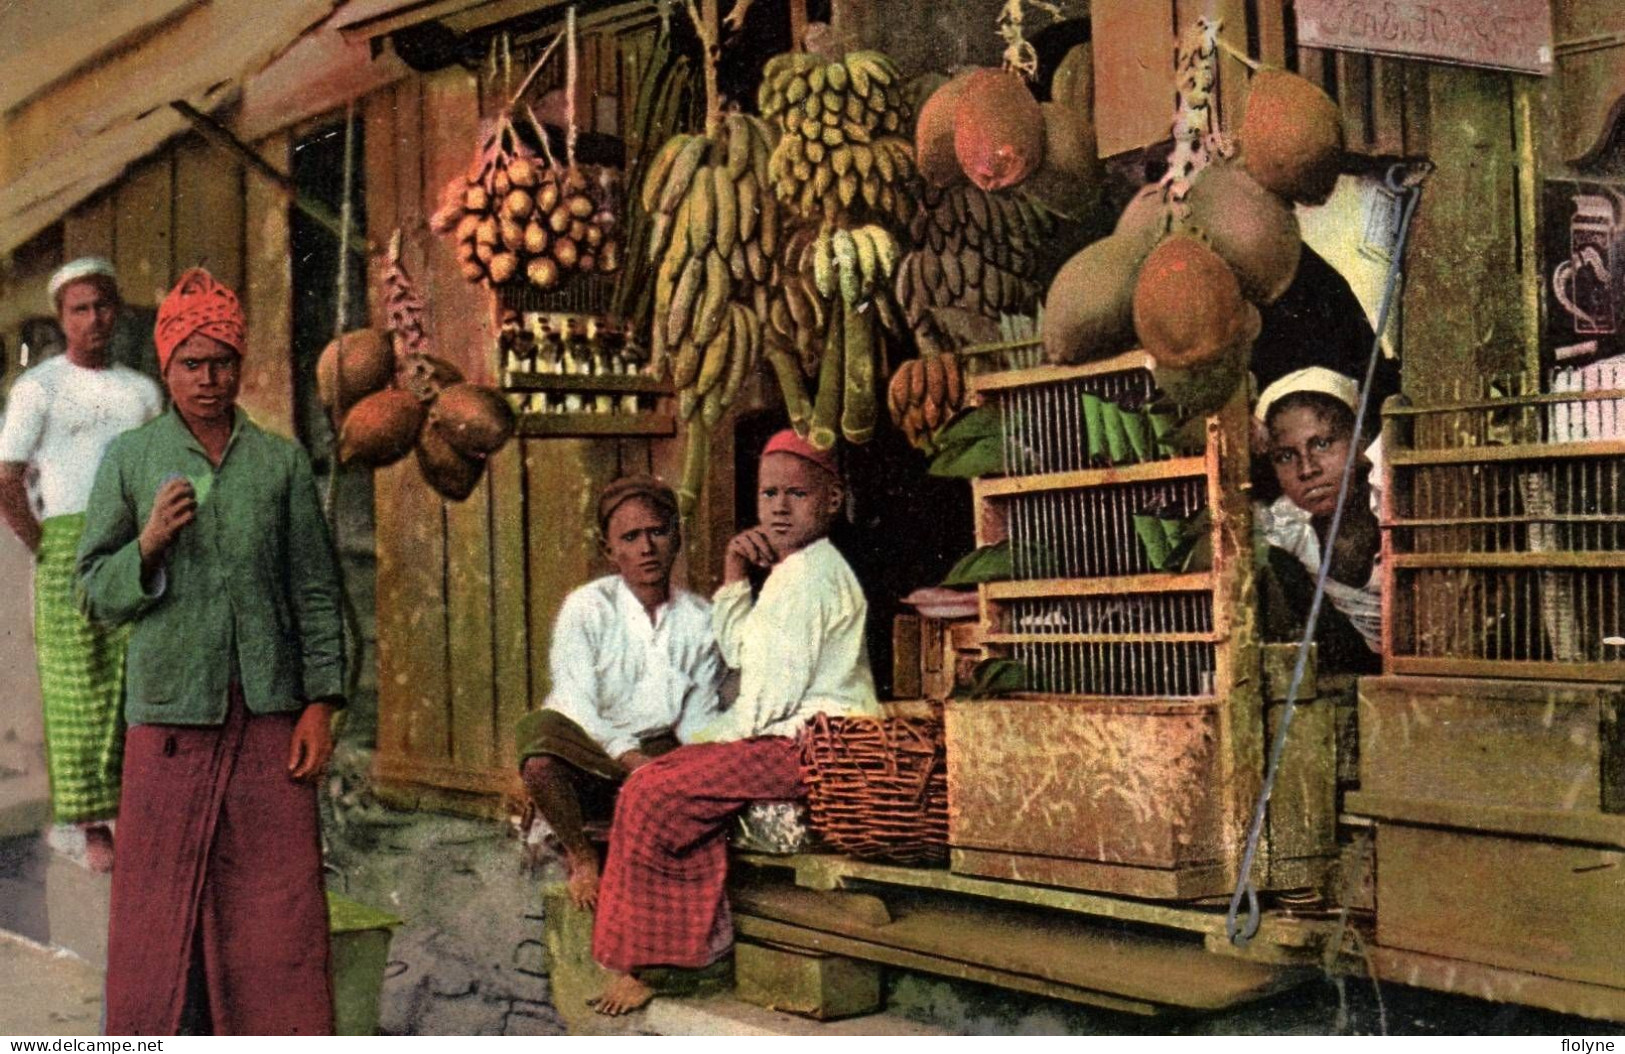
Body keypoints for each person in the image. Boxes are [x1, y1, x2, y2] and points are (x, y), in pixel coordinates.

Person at [77, 269, 344, 1035]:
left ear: (241, 363)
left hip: (268, 716)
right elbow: (93, 589)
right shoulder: (130, 460)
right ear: (166, 368)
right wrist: (150, 545)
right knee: (157, 912)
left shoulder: (281, 464)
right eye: (191, 363)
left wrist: (320, 704)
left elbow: (318, 594)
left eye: (222, 360)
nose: (208, 378)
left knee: (278, 910)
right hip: (169, 719)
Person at [589, 429, 880, 1016]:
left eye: (795, 494)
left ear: (831, 500)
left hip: (811, 744)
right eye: (768, 493)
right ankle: (670, 950)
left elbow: (767, 701)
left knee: (656, 789)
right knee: (663, 780)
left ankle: (662, 964)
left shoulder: (812, 575)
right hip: (788, 734)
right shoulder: (794, 571)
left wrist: (703, 747)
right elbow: (745, 651)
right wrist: (734, 574)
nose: (777, 505)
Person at [0, 258, 162, 872]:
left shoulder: (141, 391)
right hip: (66, 540)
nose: (94, 319)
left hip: (133, 541)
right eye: (80, 309)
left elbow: (154, 468)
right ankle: (90, 826)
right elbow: (7, 477)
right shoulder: (38, 387)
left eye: (103, 306)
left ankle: (135, 814)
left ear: (116, 311)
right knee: (75, 687)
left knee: (130, 676)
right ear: (62, 318)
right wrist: (43, 544)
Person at [516, 475, 723, 912]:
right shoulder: (588, 606)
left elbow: (697, 718)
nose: (646, 549)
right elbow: (576, 701)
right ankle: (581, 853)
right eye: (630, 537)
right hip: (589, 753)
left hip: (655, 753)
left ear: (677, 538)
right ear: (610, 550)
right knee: (539, 739)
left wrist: (693, 765)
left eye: (657, 532)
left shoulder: (700, 620)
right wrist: (630, 759)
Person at [1253, 367, 1382, 673]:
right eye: (1285, 456)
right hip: (1357, 671)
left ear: (1359, 441)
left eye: (1322, 444)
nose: (1307, 469)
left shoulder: (1392, 498)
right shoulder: (1287, 526)